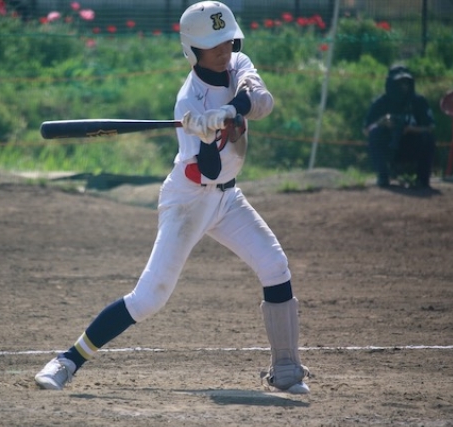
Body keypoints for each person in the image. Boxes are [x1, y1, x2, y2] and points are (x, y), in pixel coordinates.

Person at [35, 1, 310, 394]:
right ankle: (66, 361)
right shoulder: (188, 102)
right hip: (189, 200)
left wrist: (229, 111)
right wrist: (206, 137)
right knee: (150, 297)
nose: (223, 49)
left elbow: (262, 101)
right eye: (213, 44)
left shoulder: (238, 64)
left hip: (229, 198)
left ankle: (285, 370)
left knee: (275, 266)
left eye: (227, 40)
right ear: (192, 50)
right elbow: (205, 172)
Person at [363, 65, 436, 189]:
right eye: (399, 83)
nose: (403, 86)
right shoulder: (381, 103)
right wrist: (381, 123)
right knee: (375, 133)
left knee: (428, 138)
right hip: (389, 148)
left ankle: (422, 180)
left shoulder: (419, 101)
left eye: (406, 82)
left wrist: (410, 129)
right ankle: (383, 177)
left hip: (411, 145)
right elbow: (366, 130)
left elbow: (431, 127)